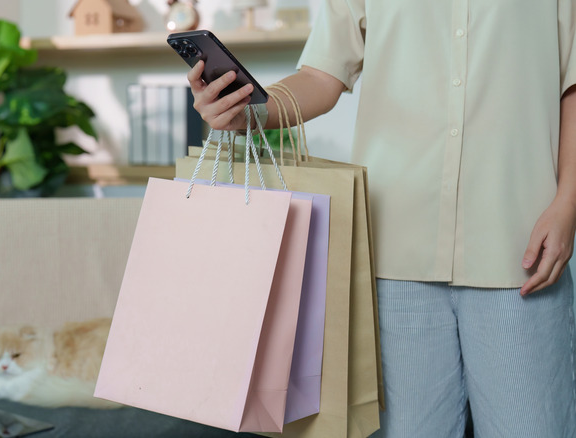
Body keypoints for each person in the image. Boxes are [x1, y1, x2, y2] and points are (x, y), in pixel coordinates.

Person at [187, 1, 576, 437]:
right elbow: (321, 75)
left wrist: (568, 201)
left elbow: (572, 85)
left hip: (519, 250)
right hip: (393, 259)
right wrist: (250, 109)